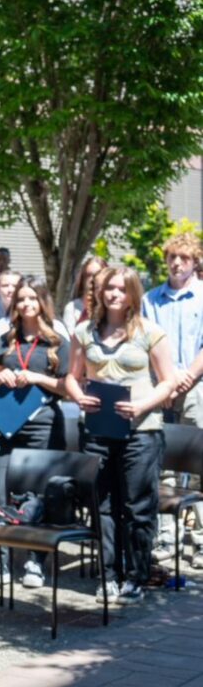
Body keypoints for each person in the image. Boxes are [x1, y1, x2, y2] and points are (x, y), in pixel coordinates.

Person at [64, 266, 176, 605]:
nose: (114, 294)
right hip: (99, 430)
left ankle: (137, 576)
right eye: (108, 288)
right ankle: (109, 575)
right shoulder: (84, 332)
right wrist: (78, 396)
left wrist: (142, 405)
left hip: (141, 431)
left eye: (121, 289)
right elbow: (72, 376)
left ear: (132, 294)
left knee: (137, 506)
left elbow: (168, 382)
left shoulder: (150, 332)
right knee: (104, 506)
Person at [0, 277, 69, 589]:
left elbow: (68, 387)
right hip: (9, 423)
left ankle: (36, 560)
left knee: (39, 492)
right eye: (21, 298)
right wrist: (2, 377)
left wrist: (35, 377)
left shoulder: (57, 342)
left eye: (32, 298)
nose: (26, 304)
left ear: (43, 301)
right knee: (2, 486)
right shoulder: (6, 339)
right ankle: (1, 559)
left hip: (44, 423)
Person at [141, 233, 203, 566]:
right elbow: (145, 342)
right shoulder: (151, 299)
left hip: (196, 387)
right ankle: (167, 536)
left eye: (183, 257)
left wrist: (188, 376)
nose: (176, 263)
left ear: (195, 261)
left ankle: (199, 540)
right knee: (162, 462)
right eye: (171, 257)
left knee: (197, 463)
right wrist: (166, 382)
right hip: (160, 388)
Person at [62, 255, 107, 332]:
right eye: (88, 275)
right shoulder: (72, 308)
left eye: (97, 274)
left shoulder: (110, 306)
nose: (92, 279)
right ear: (82, 278)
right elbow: (69, 340)